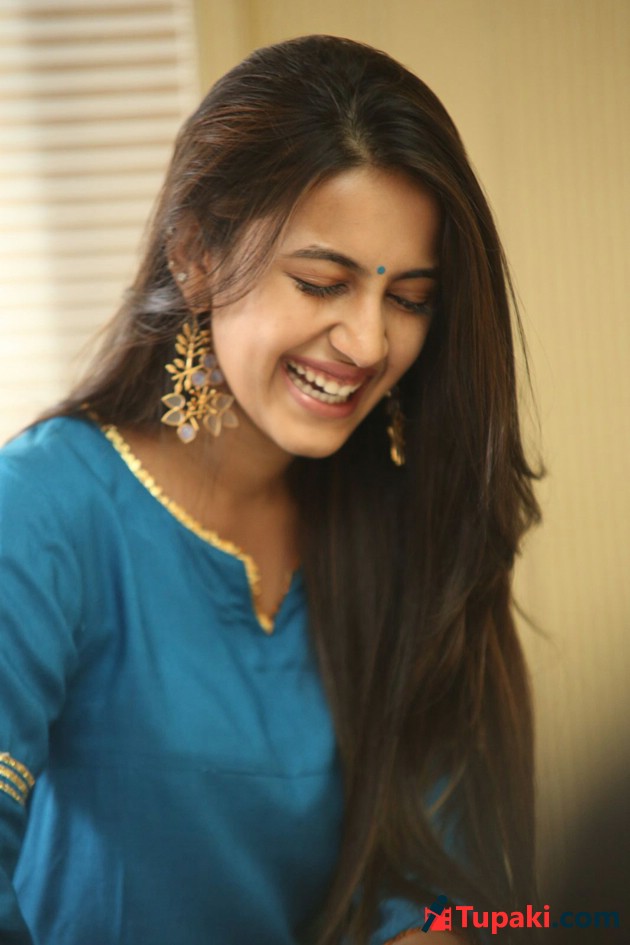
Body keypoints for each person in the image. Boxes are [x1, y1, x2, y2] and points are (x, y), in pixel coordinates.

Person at [0, 34, 543, 945]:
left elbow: (446, 884)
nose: (368, 343)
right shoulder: (43, 510)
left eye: (409, 297)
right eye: (322, 282)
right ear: (195, 256)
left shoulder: (402, 521)